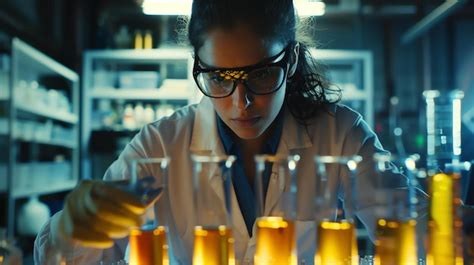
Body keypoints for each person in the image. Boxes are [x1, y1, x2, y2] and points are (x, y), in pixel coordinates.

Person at [34, 0, 410, 264]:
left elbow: (414, 224)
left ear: (291, 60)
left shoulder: (339, 132)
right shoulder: (160, 144)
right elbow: (65, 259)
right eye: (218, 77)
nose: (239, 102)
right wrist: (74, 228)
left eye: (260, 73)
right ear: (199, 67)